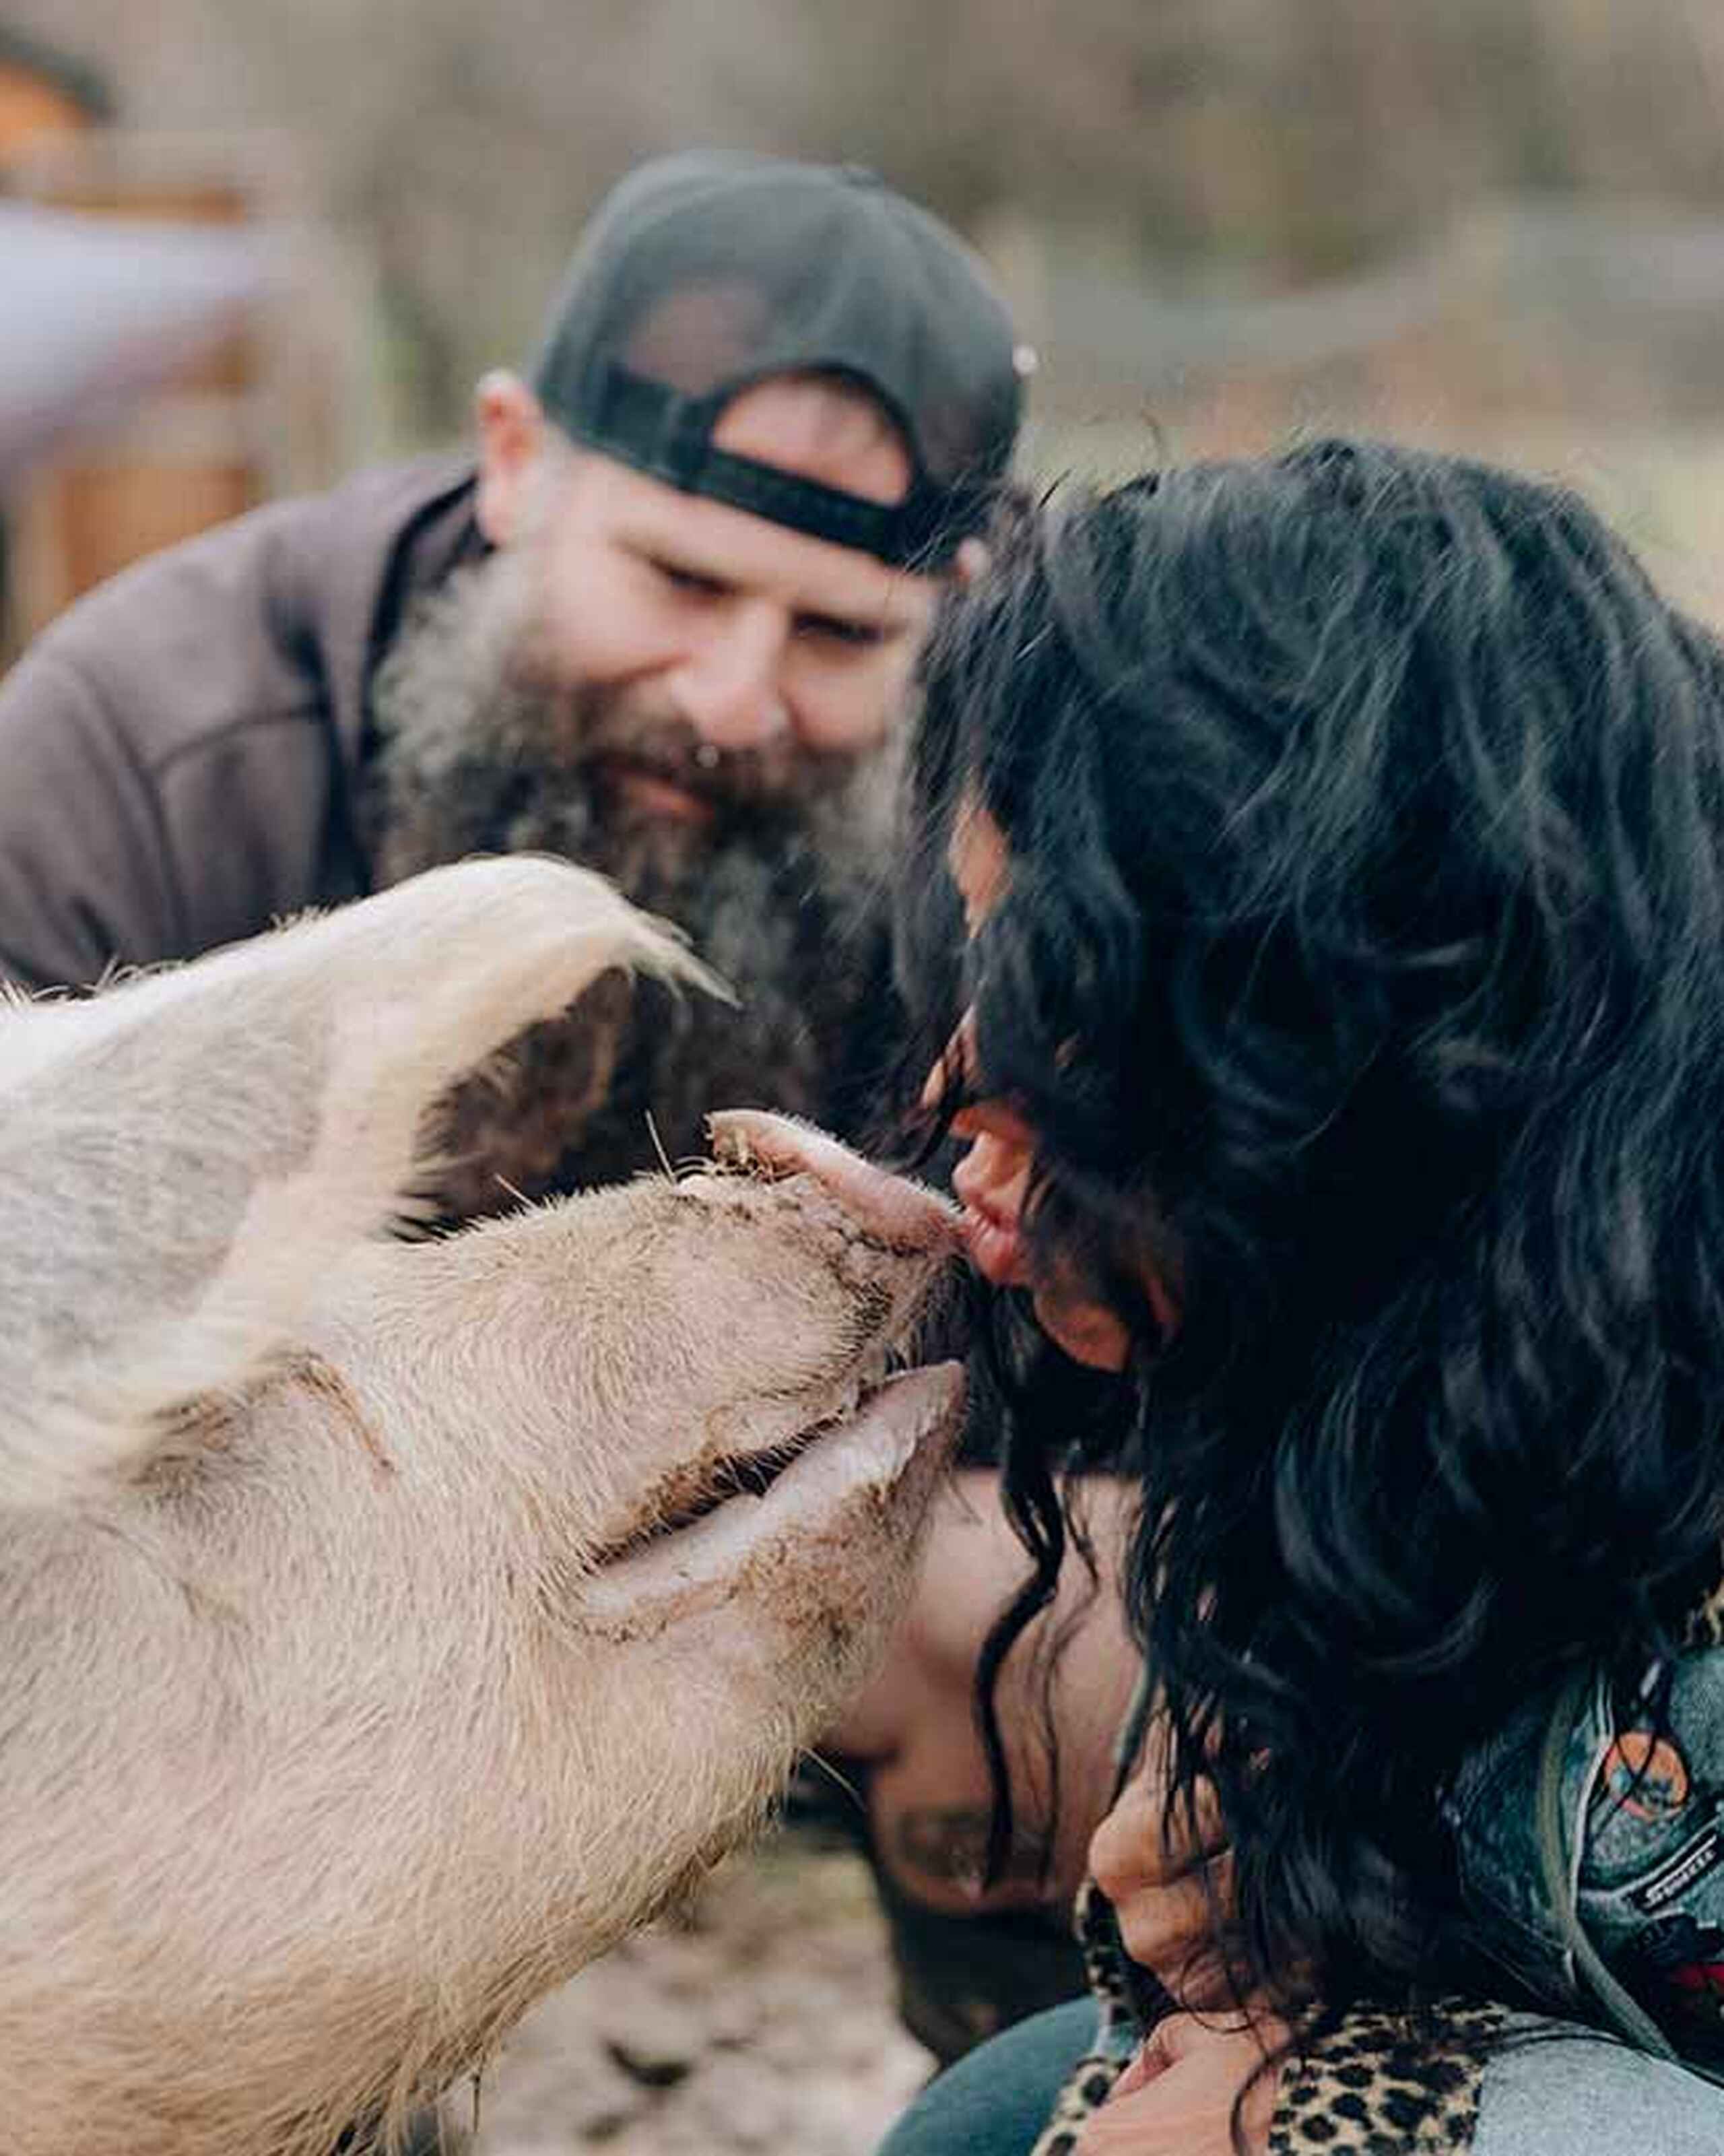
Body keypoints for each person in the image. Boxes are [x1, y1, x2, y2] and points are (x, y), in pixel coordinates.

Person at [876, 438, 1724, 2153]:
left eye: (1056, 986)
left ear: (1330, 1021)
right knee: (996, 2116)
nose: (953, 1077)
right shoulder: (1468, 1338)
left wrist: (1360, 2109)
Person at [0, 148, 1025, 1198]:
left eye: (839, 635)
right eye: (681, 579)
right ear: (515, 462)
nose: (733, 703)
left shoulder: (1010, 861)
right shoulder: (141, 759)